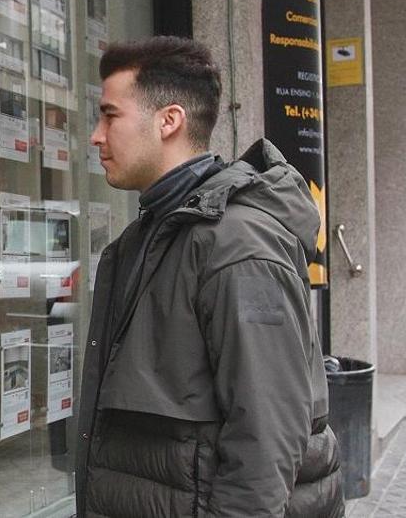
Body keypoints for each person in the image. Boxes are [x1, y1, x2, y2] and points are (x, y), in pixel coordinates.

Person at [76, 36, 343, 517]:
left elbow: (268, 437)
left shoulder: (239, 244)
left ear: (169, 120)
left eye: (110, 115)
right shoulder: (149, 236)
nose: (96, 135)